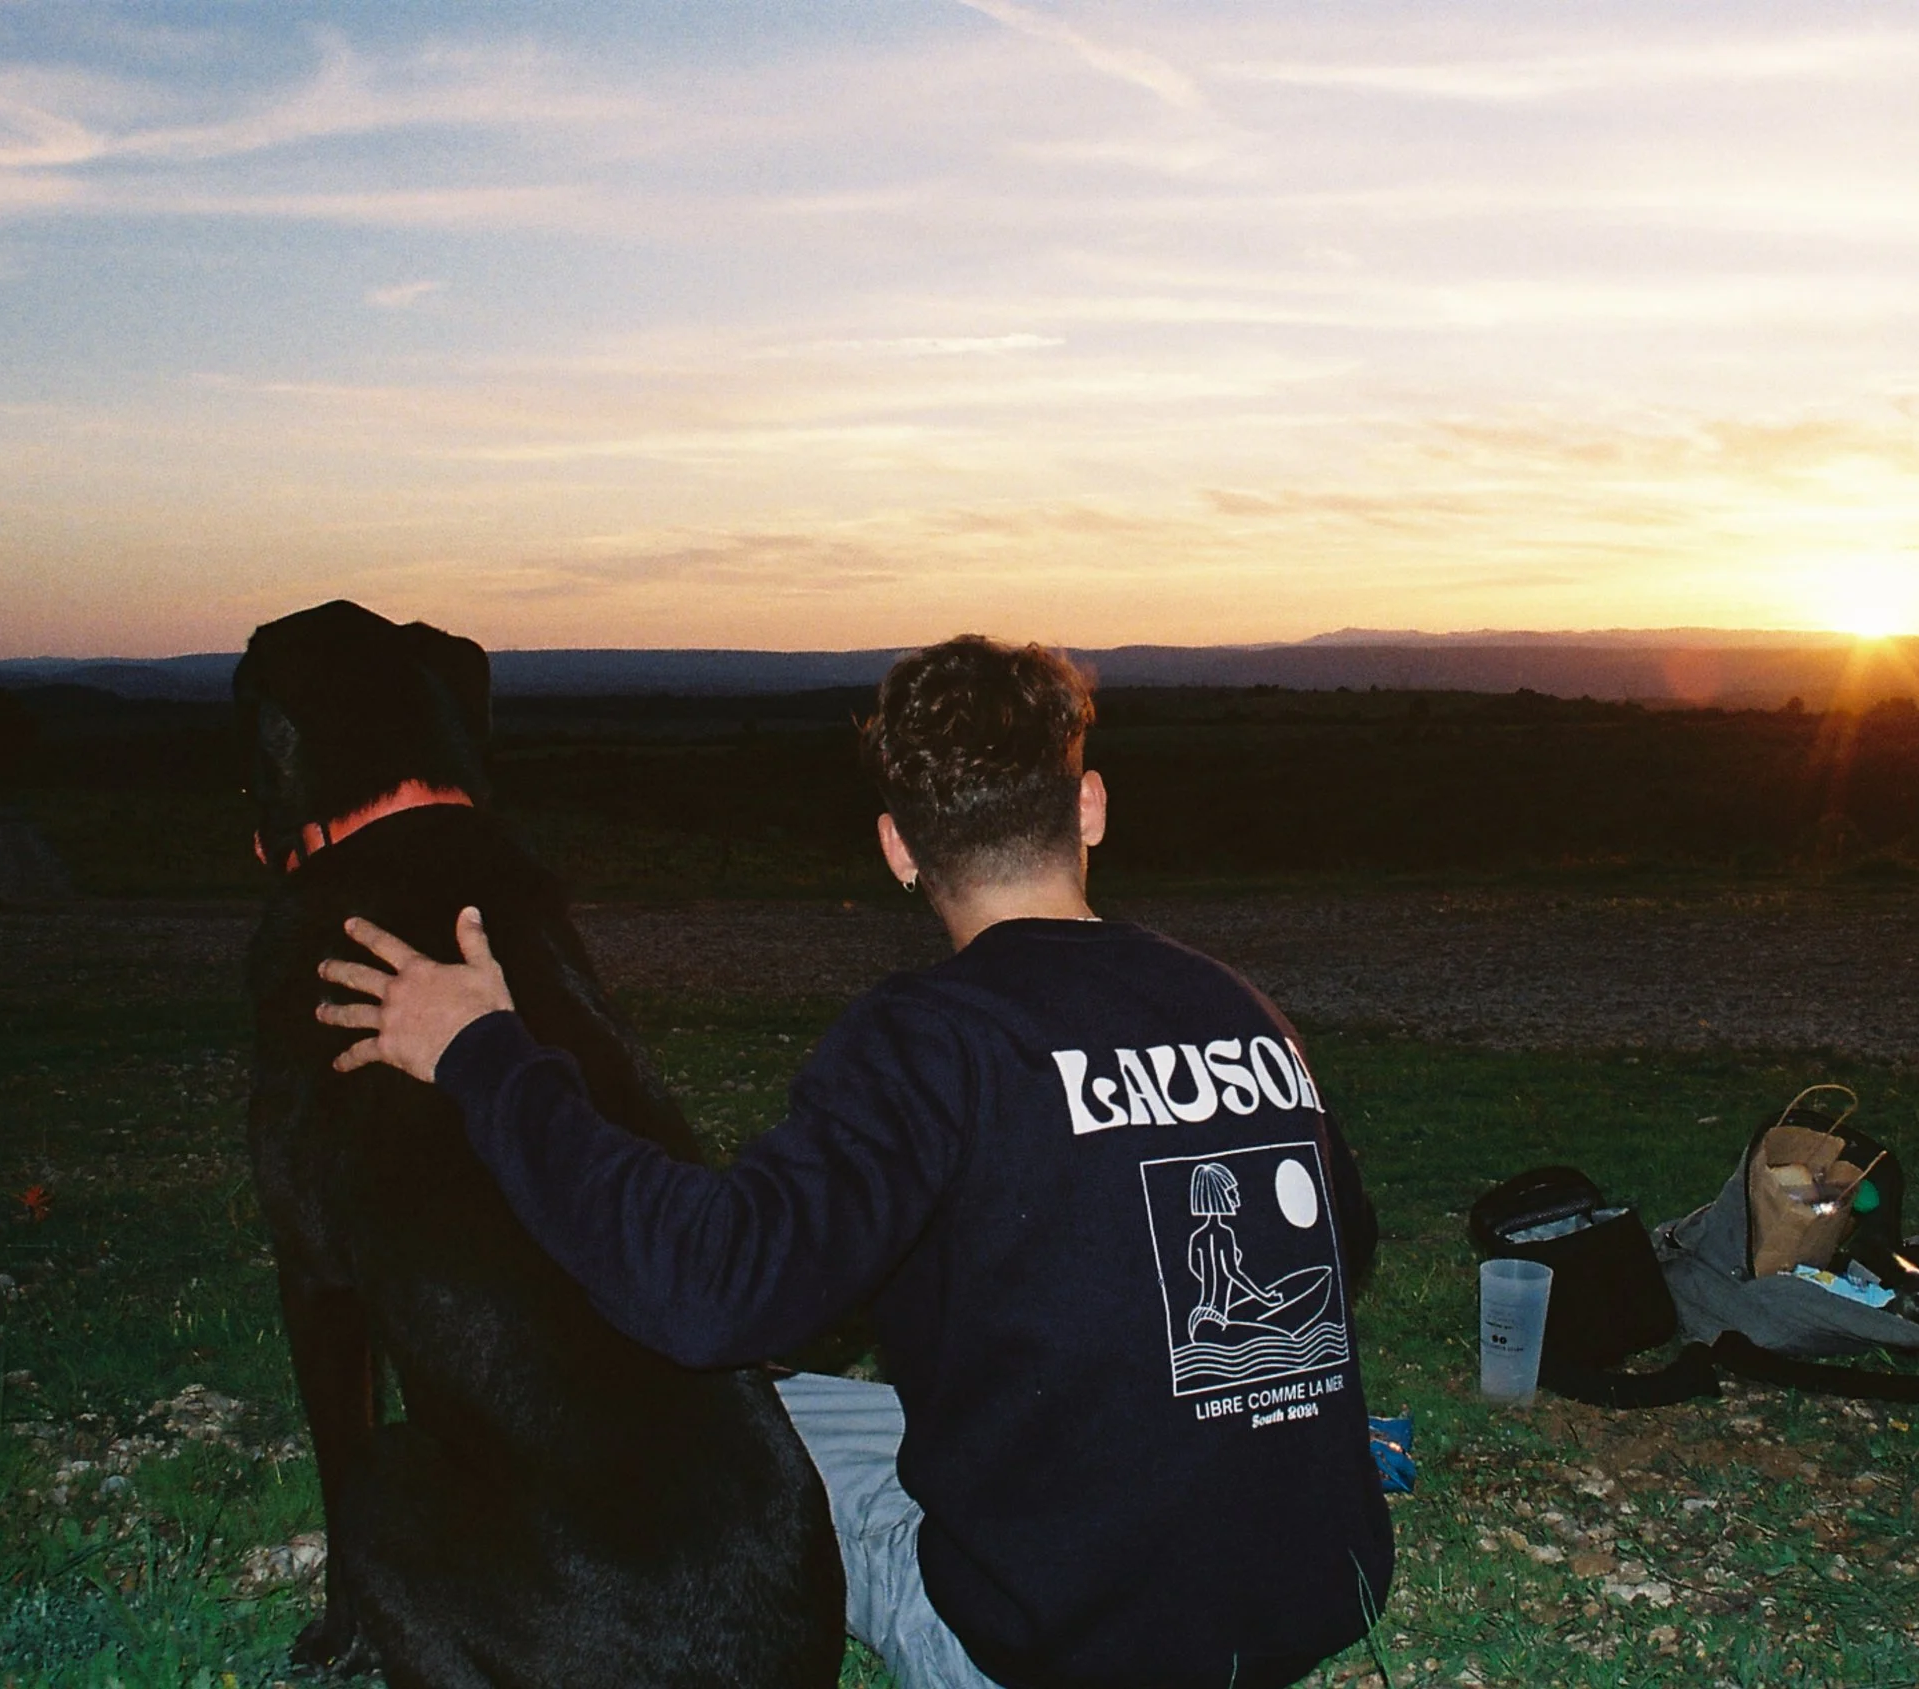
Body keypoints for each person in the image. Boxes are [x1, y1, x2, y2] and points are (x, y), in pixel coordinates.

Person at [313, 635, 1394, 1689]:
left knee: (730, 1444)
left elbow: (708, 1291)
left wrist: (480, 1052)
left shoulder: (933, 1038)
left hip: (1060, 1651)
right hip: (1313, 1592)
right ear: (1090, 806)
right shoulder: (1237, 1005)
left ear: (898, 848)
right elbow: (1340, 1253)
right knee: (793, 1407)